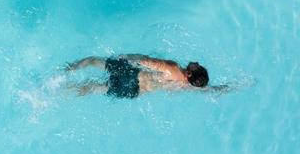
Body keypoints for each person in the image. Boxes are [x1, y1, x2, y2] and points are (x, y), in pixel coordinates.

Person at [65, 54, 225, 98]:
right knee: (92, 87)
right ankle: (63, 94)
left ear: (189, 73)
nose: (196, 62)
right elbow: (207, 90)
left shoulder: (173, 67)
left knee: (91, 61)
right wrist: (225, 88)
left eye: (196, 66)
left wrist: (125, 58)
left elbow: (146, 61)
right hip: (134, 91)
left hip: (131, 74)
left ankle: (65, 72)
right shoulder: (186, 85)